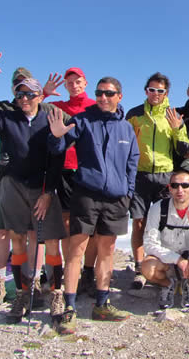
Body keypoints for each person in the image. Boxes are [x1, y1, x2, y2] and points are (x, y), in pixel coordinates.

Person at [0, 49, 68, 310]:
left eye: (29, 92)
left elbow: (72, 134)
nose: (23, 97)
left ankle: (35, 283)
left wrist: (50, 188)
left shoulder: (49, 113)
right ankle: (4, 283)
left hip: (40, 185)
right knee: (10, 233)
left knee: (38, 235)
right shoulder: (6, 112)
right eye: (18, 91)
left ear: (38, 94)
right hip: (10, 183)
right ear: (13, 92)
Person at [48, 76, 139, 334]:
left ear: (119, 96)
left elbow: (133, 161)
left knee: (107, 251)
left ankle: (101, 304)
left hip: (116, 198)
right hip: (86, 194)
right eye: (99, 93)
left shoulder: (126, 128)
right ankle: (69, 308)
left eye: (109, 93)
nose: (103, 97)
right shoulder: (83, 119)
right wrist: (55, 137)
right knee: (77, 250)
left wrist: (128, 192)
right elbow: (59, 146)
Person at [126, 72, 189, 289]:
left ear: (166, 93)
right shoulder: (134, 114)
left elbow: (183, 149)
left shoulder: (173, 115)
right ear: (146, 91)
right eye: (151, 90)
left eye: (160, 91)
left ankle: (162, 264)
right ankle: (138, 267)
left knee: (163, 224)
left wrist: (177, 129)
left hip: (164, 175)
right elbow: (125, 144)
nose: (155, 94)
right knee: (139, 222)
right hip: (140, 175)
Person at [44, 67, 99, 296]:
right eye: (70, 83)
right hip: (65, 169)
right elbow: (30, 107)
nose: (74, 85)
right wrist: (45, 93)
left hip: (90, 170)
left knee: (92, 226)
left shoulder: (96, 107)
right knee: (67, 222)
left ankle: (88, 271)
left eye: (77, 82)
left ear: (85, 83)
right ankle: (71, 271)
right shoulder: (59, 108)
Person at [140, 170, 189, 309]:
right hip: (166, 263)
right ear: (169, 188)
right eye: (175, 185)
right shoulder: (158, 209)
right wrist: (177, 259)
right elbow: (149, 244)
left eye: (185, 185)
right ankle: (168, 284)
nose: (180, 190)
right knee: (147, 267)